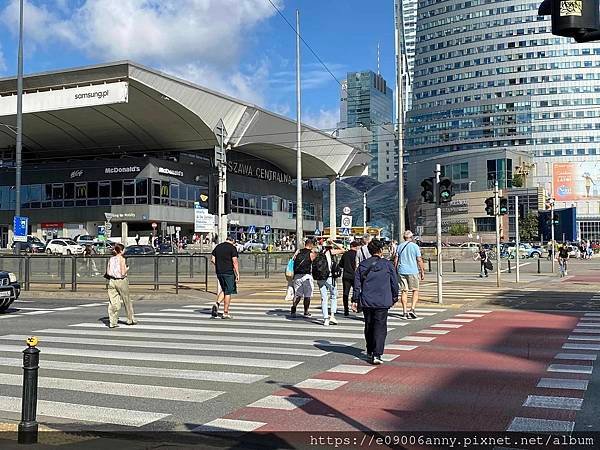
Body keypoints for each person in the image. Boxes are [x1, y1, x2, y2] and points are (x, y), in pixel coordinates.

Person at [352, 239, 398, 365]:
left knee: (369, 325)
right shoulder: (388, 265)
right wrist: (394, 297)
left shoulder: (363, 265)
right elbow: (394, 282)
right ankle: (377, 354)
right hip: (383, 300)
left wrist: (355, 299)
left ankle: (370, 350)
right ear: (381, 250)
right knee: (380, 326)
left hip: (367, 300)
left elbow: (357, 284)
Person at [395, 230, 425, 320]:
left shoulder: (399, 246)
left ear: (404, 238)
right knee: (415, 290)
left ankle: (404, 311)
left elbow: (396, 260)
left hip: (401, 270)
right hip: (412, 271)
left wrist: (395, 270)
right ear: (411, 238)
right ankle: (412, 309)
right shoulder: (415, 246)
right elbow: (419, 260)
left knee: (404, 291)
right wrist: (422, 271)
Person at [314, 239, 345, 326]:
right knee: (333, 295)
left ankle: (325, 319)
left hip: (320, 278)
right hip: (329, 277)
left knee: (324, 298)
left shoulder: (318, 253)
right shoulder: (330, 252)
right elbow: (343, 250)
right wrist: (334, 243)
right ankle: (332, 315)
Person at [106, 243, 136, 328]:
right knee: (126, 300)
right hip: (121, 281)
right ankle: (130, 319)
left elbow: (108, 272)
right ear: (121, 251)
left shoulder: (111, 259)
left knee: (113, 302)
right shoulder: (122, 259)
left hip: (112, 281)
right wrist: (127, 269)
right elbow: (123, 273)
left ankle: (113, 322)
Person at [211, 235, 239, 319]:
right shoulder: (232, 248)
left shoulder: (218, 247)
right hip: (229, 272)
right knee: (228, 292)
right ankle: (225, 312)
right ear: (233, 240)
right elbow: (235, 262)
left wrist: (219, 265)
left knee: (224, 289)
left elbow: (212, 259)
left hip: (219, 272)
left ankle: (217, 304)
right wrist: (237, 273)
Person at [291, 238, 317, 317]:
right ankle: (306, 311)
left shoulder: (298, 252)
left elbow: (293, 260)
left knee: (298, 294)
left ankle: (294, 306)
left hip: (297, 276)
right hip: (306, 276)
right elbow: (315, 261)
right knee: (307, 295)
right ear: (311, 244)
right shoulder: (311, 253)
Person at [340, 240, 360, 316]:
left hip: (346, 275)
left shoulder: (345, 254)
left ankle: (346, 310)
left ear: (351, 246)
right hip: (355, 276)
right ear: (356, 247)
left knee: (345, 293)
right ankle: (355, 305)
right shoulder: (357, 254)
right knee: (356, 290)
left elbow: (340, 264)